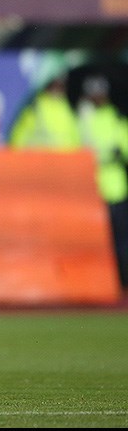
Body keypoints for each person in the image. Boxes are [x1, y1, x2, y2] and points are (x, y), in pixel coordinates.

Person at [77, 75, 128, 295]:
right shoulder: (83, 118)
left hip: (115, 188)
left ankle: (122, 283)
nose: (97, 98)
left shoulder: (116, 118)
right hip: (89, 191)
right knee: (91, 242)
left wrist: (113, 154)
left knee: (120, 240)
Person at [8, 74, 81, 150]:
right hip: (38, 156)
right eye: (54, 84)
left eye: (61, 85)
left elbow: (75, 140)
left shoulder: (67, 109)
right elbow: (18, 139)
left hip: (63, 157)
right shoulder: (35, 106)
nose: (57, 88)